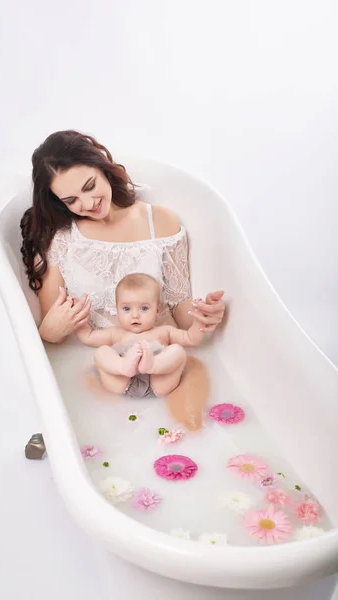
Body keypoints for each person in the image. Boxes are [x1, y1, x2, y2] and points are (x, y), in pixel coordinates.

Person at [20, 130, 225, 429]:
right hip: (101, 366)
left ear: (103, 168)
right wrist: (49, 330)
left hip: (161, 354)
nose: (88, 203)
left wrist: (203, 317)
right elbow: (53, 331)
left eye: (90, 186)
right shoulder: (61, 240)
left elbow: (181, 307)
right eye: (71, 200)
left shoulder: (160, 222)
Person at [75, 273, 206, 398]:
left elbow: (191, 339)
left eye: (144, 308)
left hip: (159, 382)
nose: (135, 315)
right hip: (122, 381)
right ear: (117, 310)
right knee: (101, 352)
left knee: (178, 351)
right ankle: (122, 365)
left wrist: (200, 321)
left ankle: (153, 364)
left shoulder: (164, 331)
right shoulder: (115, 333)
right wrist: (79, 318)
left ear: (157, 311)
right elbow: (88, 336)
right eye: (127, 309)